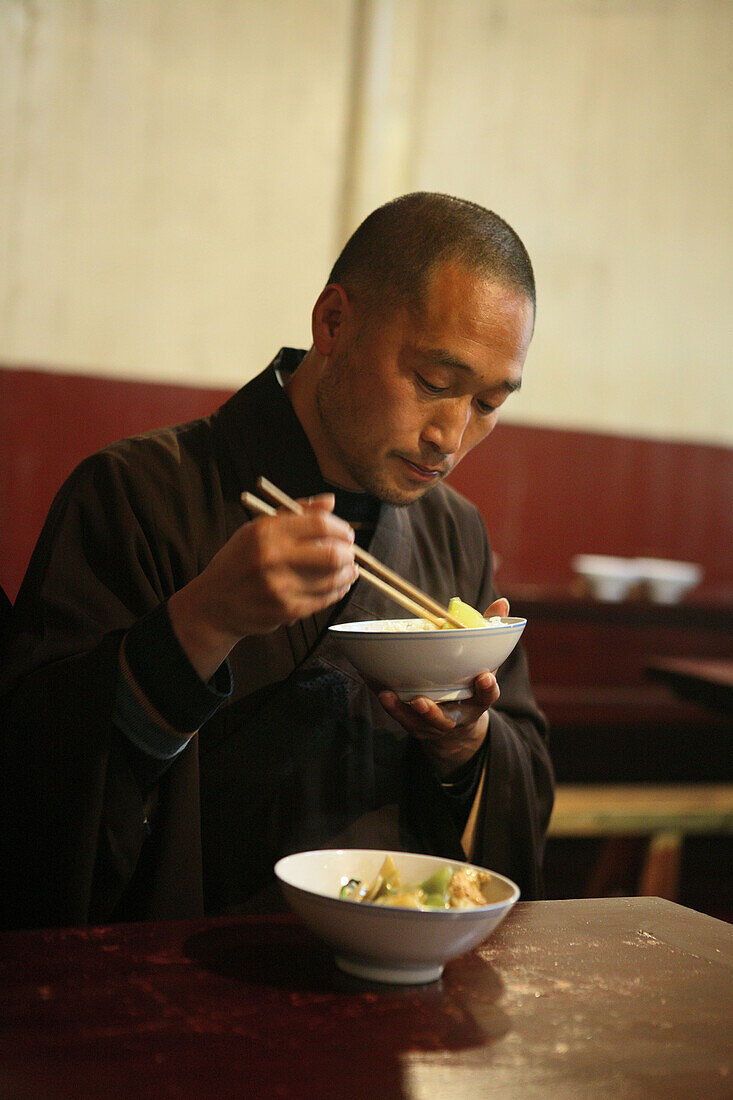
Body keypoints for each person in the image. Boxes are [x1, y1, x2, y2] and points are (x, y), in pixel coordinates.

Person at [0, 192, 554, 930]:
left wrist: (464, 743)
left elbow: (519, 783)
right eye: (431, 382)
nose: (449, 438)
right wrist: (199, 624)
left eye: (488, 402)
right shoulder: (136, 492)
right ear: (334, 323)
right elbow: (31, 784)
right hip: (171, 989)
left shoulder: (454, 533)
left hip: (391, 987)